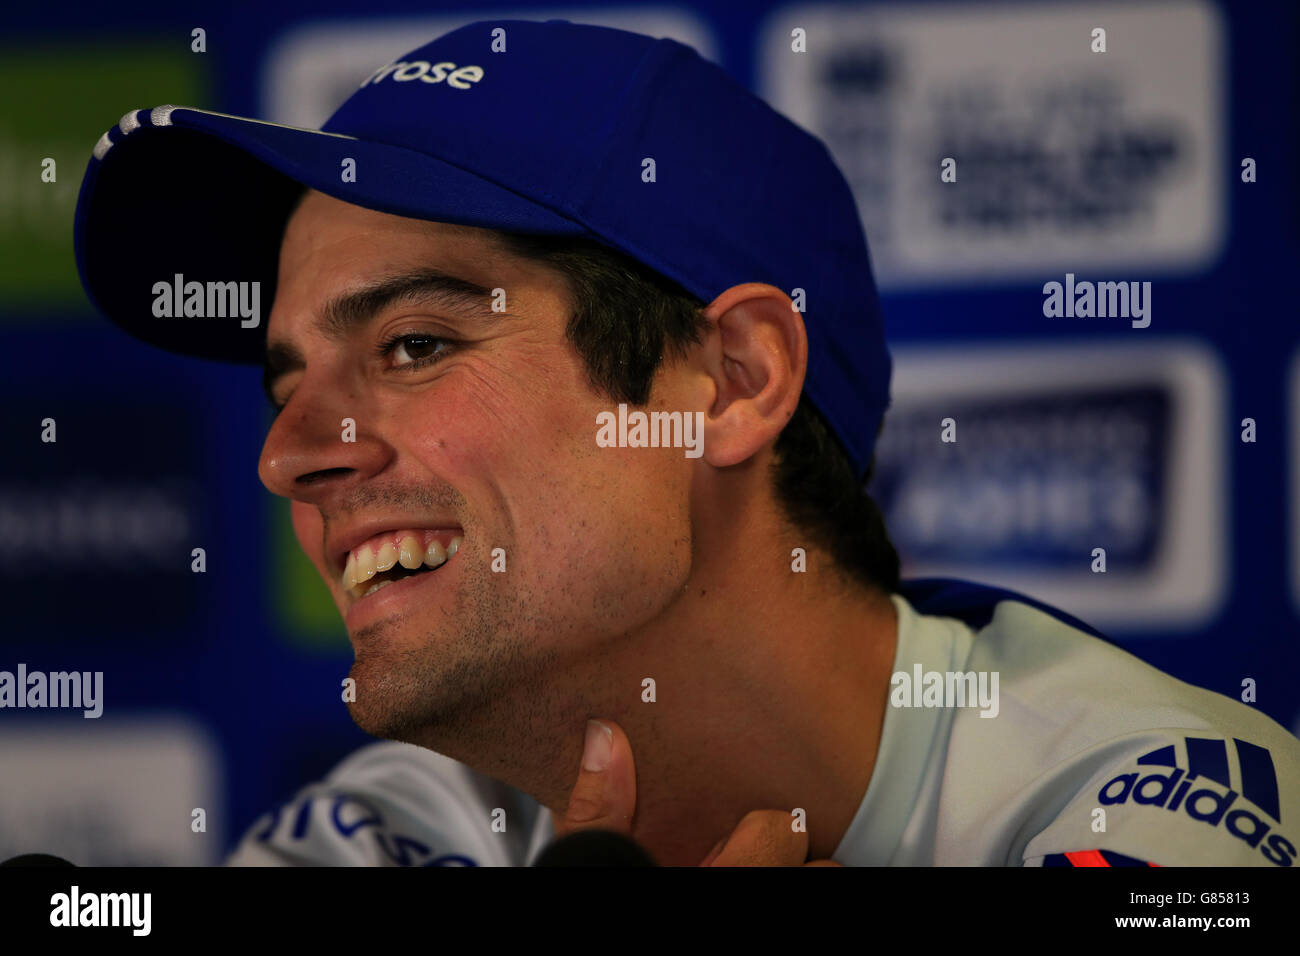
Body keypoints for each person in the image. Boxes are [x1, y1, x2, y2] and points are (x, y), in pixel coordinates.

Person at [75, 19, 1299, 867]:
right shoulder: (394, 828)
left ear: (732, 381)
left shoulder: (1167, 802)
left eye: (411, 346)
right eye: (286, 382)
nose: (287, 457)